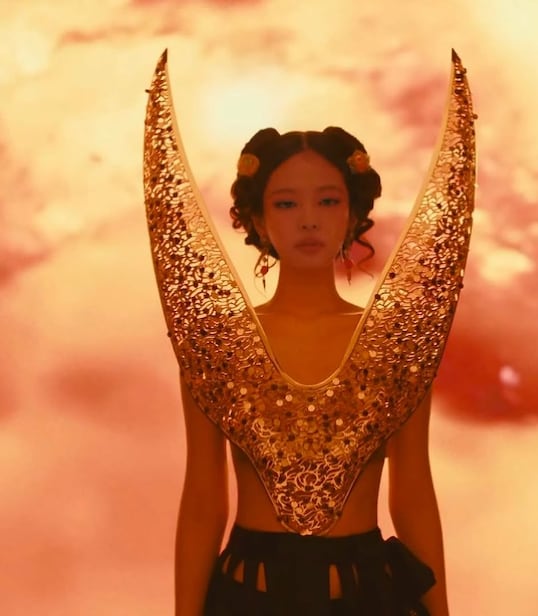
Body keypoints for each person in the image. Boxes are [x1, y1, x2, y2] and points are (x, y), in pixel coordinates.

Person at [143, 50, 476, 616]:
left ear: (352, 214)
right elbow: (203, 497)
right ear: (257, 219)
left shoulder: (395, 342)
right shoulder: (217, 341)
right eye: (286, 203)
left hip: (369, 595)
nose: (308, 219)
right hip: (248, 596)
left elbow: (414, 491)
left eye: (327, 200)